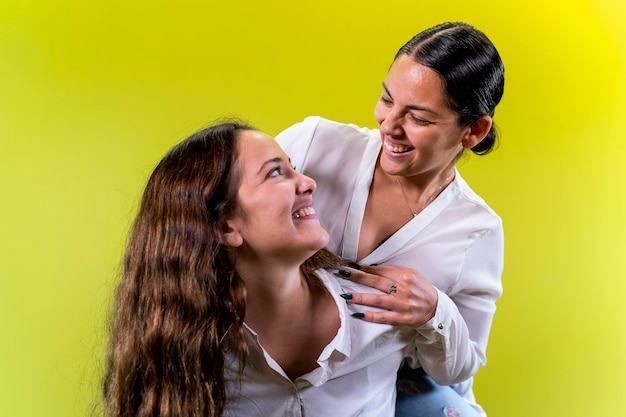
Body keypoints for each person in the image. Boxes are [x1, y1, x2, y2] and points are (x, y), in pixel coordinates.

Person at [103, 121, 440, 417]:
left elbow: (455, 371)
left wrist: (437, 312)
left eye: (292, 167)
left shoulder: (379, 307)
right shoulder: (187, 344)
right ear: (225, 228)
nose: (309, 183)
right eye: (275, 172)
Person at [276, 21, 505, 417]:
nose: (389, 126)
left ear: (473, 131)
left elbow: (459, 369)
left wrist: (436, 311)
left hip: (384, 393)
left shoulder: (476, 230)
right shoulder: (313, 145)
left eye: (419, 118)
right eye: (386, 99)